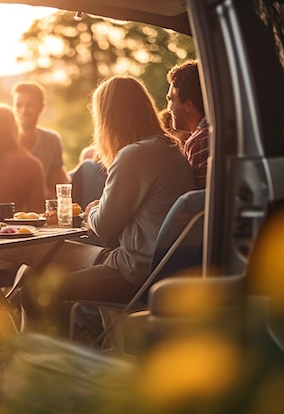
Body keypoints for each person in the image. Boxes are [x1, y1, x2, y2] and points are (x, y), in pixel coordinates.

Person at [18, 76, 197, 335]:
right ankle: (93, 342)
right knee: (48, 261)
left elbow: (103, 225)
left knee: (33, 292)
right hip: (163, 266)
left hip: (135, 273)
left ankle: (52, 366)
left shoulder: (134, 155)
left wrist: (93, 211)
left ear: (109, 117)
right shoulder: (169, 147)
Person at [11, 81, 70, 198]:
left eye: (30, 105)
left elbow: (57, 186)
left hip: (40, 206)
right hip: (10, 205)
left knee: (88, 166)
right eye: (18, 105)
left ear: (42, 107)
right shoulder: (5, 139)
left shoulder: (51, 140)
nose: (23, 111)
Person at [166, 59, 209, 189]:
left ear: (188, 105)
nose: (169, 109)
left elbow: (198, 202)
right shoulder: (215, 131)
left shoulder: (199, 142)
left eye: (171, 100)